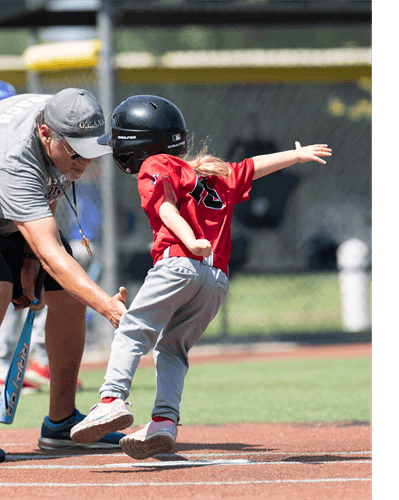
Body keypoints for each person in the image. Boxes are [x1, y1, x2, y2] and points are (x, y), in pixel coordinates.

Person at [69, 94, 332, 459]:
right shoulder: (210, 174)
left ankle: (112, 399)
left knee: (132, 330)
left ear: (136, 144)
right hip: (215, 280)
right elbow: (250, 167)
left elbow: (164, 206)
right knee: (174, 349)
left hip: (179, 262)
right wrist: (295, 156)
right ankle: (164, 422)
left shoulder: (155, 163)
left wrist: (189, 239)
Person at [0, 87, 129, 464]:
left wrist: (28, 262)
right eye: (77, 153)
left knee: (69, 294)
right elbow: (53, 253)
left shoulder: (67, 126)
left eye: (91, 151)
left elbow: (49, 188)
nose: (84, 162)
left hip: (9, 211)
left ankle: (61, 422)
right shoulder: (12, 156)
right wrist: (109, 308)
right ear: (45, 134)